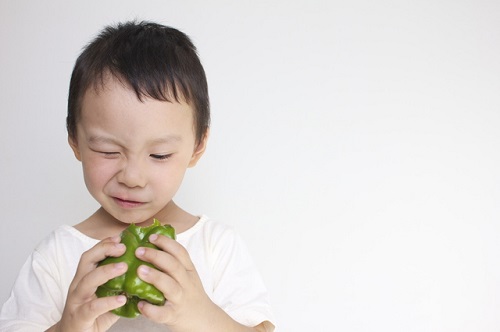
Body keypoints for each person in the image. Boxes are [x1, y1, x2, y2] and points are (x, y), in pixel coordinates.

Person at [0, 21, 275, 332]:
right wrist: (68, 327)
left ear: (197, 147)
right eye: (107, 150)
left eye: (159, 155)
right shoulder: (56, 257)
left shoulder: (216, 246)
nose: (132, 177)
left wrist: (199, 314)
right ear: (75, 140)